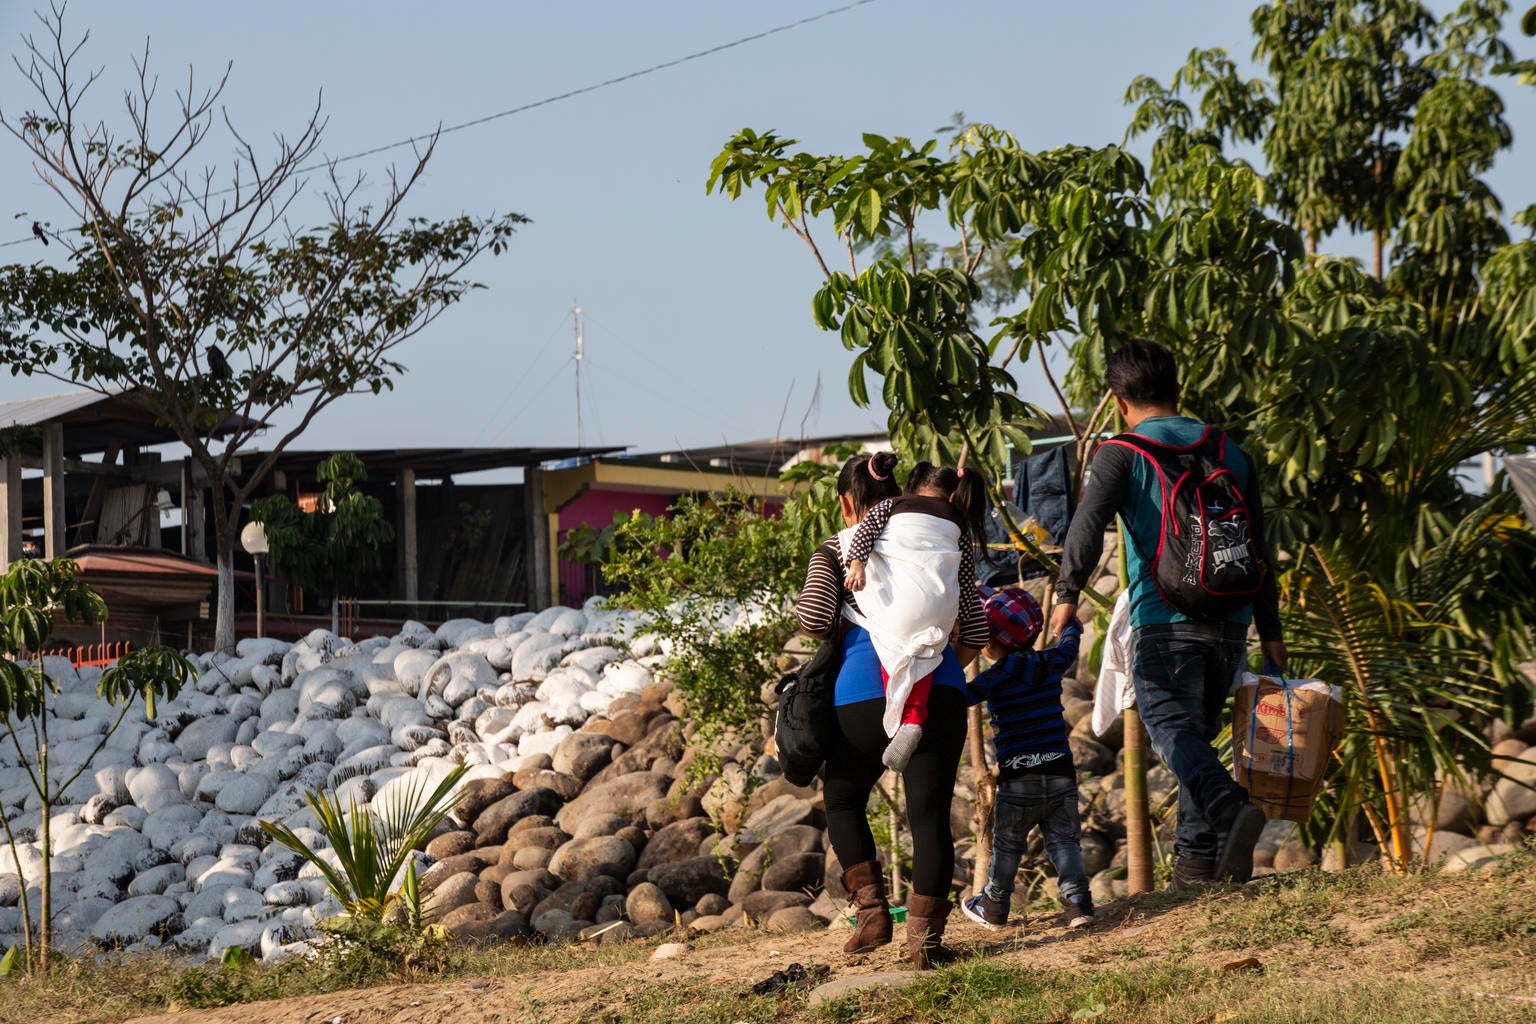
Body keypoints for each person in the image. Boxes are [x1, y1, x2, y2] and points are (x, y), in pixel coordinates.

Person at [1049, 339, 1287, 889]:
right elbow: (1259, 544)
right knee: (1195, 740)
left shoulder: (1122, 450)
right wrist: (1270, 630)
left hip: (1165, 619)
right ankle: (1197, 872)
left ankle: (1229, 807)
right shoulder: (1228, 449)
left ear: (1119, 401)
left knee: (1170, 732)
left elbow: (1087, 524)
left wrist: (1066, 595)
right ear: (1178, 389)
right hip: (1232, 620)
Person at [795, 451, 990, 968]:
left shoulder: (836, 548)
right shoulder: (942, 543)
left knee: (841, 799)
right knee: (930, 819)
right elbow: (974, 633)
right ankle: (924, 946)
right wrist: (931, 663)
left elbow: (815, 618)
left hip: (859, 698)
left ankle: (872, 914)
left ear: (846, 503)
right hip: (940, 690)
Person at [961, 585, 1094, 930]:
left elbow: (964, 696)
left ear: (989, 640)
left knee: (1007, 844)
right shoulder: (1052, 662)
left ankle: (994, 905)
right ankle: (1078, 904)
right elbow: (1069, 645)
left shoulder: (999, 675)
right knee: (1065, 840)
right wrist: (1071, 625)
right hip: (1061, 771)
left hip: (1020, 777)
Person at [842, 461, 988, 771]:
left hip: (904, 602)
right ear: (953, 496)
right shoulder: (958, 522)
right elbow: (964, 574)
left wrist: (856, 565)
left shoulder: (892, 505)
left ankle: (905, 720)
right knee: (922, 653)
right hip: (943, 606)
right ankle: (913, 717)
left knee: (891, 646)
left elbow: (865, 530)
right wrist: (959, 617)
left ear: (915, 486)